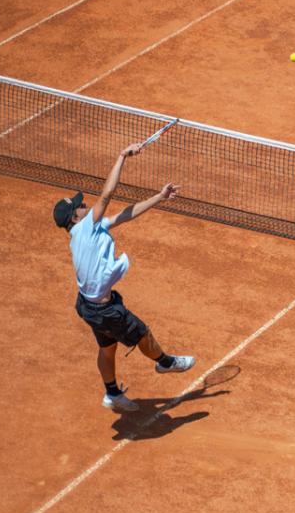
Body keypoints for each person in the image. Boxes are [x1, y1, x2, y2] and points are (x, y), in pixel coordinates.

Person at [53, 141, 195, 412]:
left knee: (108, 348)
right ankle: (165, 363)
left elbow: (125, 215)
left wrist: (159, 196)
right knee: (141, 334)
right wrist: (121, 156)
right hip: (103, 309)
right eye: (81, 206)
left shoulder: (86, 231)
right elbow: (107, 195)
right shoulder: (85, 229)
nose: (85, 205)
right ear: (75, 217)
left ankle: (112, 394)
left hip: (87, 304)